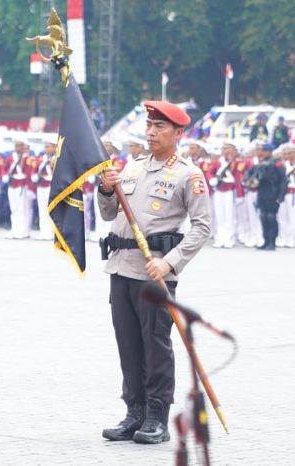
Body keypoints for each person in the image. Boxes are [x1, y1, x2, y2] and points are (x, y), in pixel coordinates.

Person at [97, 101, 211, 444]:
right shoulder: (130, 168)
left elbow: (202, 228)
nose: (150, 132)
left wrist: (170, 261)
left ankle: (157, 416)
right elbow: (107, 214)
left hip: (155, 273)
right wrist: (104, 188)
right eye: (149, 126)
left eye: (160, 127)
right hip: (121, 267)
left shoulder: (188, 174)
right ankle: (134, 411)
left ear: (178, 133)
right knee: (128, 343)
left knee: (156, 344)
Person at [254, 143, 288, 250]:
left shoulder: (277, 164)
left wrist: (281, 195)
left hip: (273, 194)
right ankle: (265, 240)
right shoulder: (261, 164)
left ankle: (272, 242)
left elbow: (283, 180)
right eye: (262, 151)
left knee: (271, 217)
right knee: (263, 217)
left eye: (265, 151)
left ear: (270, 152)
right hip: (262, 193)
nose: (263, 153)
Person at [209, 141, 239, 248]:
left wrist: (240, 193)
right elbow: (210, 172)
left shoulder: (236, 162)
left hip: (230, 191)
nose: (226, 151)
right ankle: (220, 238)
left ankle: (229, 239)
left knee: (229, 216)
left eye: (229, 149)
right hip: (218, 191)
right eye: (225, 149)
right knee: (219, 216)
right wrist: (212, 179)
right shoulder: (217, 162)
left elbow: (239, 178)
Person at [31, 140, 55, 240]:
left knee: (51, 210)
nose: (47, 149)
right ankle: (43, 231)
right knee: (42, 209)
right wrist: (34, 176)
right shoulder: (40, 159)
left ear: (54, 147)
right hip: (41, 186)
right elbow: (35, 170)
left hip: (51, 186)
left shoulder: (57, 159)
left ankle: (51, 232)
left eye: (49, 147)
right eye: (45, 147)